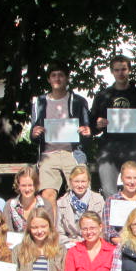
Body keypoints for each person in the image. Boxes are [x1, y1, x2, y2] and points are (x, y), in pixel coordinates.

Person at [90, 55, 136, 197]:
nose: (120, 73)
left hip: (133, 147)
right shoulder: (103, 96)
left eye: (123, 69)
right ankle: (113, 211)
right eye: (117, 70)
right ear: (112, 72)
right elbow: (91, 128)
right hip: (108, 149)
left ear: (129, 70)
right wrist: (98, 125)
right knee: (108, 191)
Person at [29, 61, 91, 217]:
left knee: (80, 194)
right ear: (49, 79)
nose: (57, 78)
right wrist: (34, 133)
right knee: (47, 195)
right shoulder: (39, 102)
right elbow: (33, 134)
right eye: (53, 75)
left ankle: (79, 230)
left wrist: (86, 132)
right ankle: (52, 230)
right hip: (48, 155)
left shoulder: (78, 101)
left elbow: (87, 131)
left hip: (72, 154)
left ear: (67, 78)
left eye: (61, 75)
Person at [103, 161, 136, 245]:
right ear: (121, 178)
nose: (132, 182)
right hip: (120, 245)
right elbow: (108, 231)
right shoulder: (111, 201)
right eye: (128, 178)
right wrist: (127, 245)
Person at [56, 165, 105, 246]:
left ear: (88, 182)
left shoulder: (98, 200)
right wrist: (71, 243)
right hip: (71, 244)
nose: (80, 185)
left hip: (94, 244)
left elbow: (103, 228)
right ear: (70, 182)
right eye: (76, 181)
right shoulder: (61, 203)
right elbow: (58, 232)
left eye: (83, 181)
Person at [2, 165, 53, 233]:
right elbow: (8, 232)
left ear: (36, 185)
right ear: (18, 186)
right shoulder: (9, 205)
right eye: (23, 185)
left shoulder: (45, 205)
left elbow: (50, 231)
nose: (27, 189)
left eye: (30, 185)